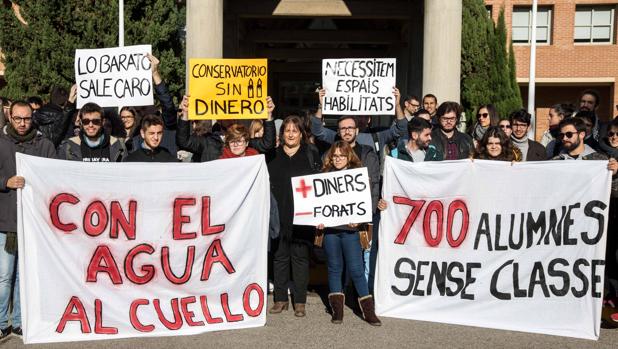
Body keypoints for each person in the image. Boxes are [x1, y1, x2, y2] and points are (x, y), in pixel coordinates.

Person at [0, 101, 56, 339]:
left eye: (27, 119)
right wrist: (5, 182)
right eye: (18, 119)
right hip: (6, 222)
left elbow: (54, 174)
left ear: (33, 118)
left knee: (25, 277)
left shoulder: (43, 145)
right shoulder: (1, 144)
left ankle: (21, 321)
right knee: (4, 277)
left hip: (33, 222)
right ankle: (3, 322)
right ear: (9, 117)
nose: (22, 123)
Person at [317, 141, 381, 326]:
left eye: (342, 156)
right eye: (335, 156)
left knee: (356, 270)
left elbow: (366, 202)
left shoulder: (358, 176)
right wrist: (317, 219)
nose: (338, 159)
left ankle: (369, 312)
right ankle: (338, 311)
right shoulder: (324, 176)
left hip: (351, 230)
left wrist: (360, 218)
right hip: (330, 230)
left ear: (349, 157)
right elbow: (317, 205)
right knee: (334, 268)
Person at [267, 116, 321, 317]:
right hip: (278, 215)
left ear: (301, 134)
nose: (290, 134)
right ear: (282, 134)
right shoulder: (272, 155)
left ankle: (300, 301)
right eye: (287, 130)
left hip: (302, 216)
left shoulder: (310, 153)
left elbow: (319, 184)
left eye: (294, 131)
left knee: (300, 259)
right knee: (279, 258)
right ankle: (280, 299)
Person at [176, 96, 275, 161]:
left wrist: (268, 116)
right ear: (218, 119)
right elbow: (184, 141)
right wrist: (185, 115)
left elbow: (267, 144)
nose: (229, 115)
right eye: (224, 113)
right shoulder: (207, 142)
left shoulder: (244, 139)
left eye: (232, 111)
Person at [57, 102, 127, 162]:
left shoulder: (118, 145)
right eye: (86, 121)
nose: (90, 125)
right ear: (81, 122)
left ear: (103, 122)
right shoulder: (68, 147)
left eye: (95, 121)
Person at [599, 118, 618, 327]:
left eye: (617, 135)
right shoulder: (602, 157)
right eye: (611, 134)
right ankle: (612, 299)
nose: (613, 138)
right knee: (610, 257)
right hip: (609, 213)